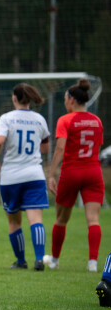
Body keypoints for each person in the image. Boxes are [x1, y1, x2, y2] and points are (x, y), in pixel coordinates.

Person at [44, 79, 104, 272]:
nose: (64, 102)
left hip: (72, 171)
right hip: (94, 171)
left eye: (64, 98)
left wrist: (51, 173)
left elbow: (60, 147)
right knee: (93, 220)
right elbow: (97, 147)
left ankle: (54, 260)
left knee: (61, 219)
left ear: (71, 100)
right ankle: (92, 263)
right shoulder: (97, 121)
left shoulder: (65, 119)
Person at [0, 83, 50, 271]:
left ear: (14, 98)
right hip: (34, 174)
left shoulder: (7, 118)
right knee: (36, 219)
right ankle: (39, 259)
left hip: (11, 176)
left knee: (14, 221)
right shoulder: (39, 119)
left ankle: (21, 261)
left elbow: (0, 141)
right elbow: (46, 147)